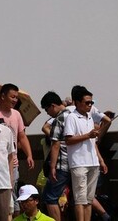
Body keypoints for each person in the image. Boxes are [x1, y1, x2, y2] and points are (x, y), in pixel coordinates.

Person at [64, 86, 108, 221]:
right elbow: (68, 139)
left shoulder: (89, 118)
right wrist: (87, 135)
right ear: (77, 102)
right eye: (87, 102)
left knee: (89, 199)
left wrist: (101, 160)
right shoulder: (71, 117)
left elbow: (93, 143)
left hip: (93, 162)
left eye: (91, 102)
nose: (90, 105)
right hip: (79, 163)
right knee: (80, 199)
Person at [39, 91, 71, 221]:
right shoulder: (74, 115)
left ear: (53, 106)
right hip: (75, 162)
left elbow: (55, 144)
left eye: (47, 110)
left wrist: (52, 166)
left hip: (61, 164)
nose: (48, 113)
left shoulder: (60, 119)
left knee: (50, 197)